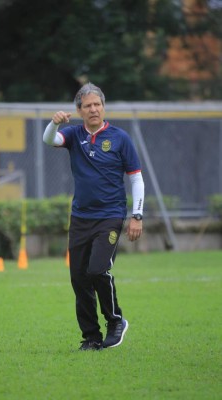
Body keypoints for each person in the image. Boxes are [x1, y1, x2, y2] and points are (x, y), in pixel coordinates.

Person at [43, 83, 144, 351]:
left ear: (103, 106)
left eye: (97, 104)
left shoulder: (120, 138)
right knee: (79, 278)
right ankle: (91, 337)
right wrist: (54, 123)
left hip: (110, 216)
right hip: (80, 218)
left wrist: (137, 215)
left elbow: (136, 178)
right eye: (87, 105)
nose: (93, 109)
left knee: (98, 269)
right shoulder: (74, 135)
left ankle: (116, 320)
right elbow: (48, 140)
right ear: (79, 110)